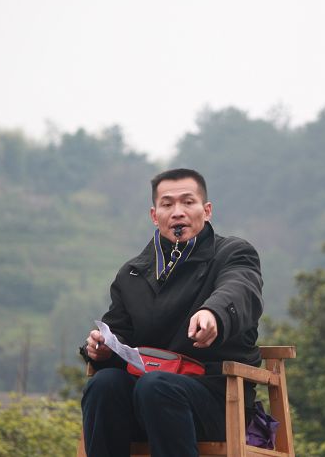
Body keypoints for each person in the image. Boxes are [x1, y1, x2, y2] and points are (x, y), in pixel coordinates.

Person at [80, 168, 263, 457]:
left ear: (207, 210)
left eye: (188, 202)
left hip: (216, 401)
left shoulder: (233, 253)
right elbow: (119, 334)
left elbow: (240, 289)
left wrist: (213, 313)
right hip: (145, 399)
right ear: (155, 216)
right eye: (167, 204)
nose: (178, 212)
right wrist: (100, 349)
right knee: (104, 384)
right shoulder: (133, 273)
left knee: (156, 386)